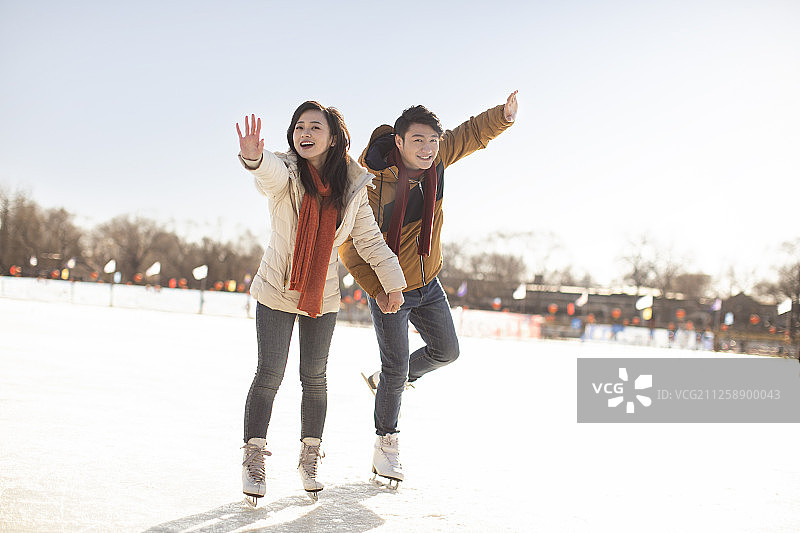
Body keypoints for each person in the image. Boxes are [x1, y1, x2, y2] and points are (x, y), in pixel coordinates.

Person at [339, 91, 519, 486]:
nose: (427, 149)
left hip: (428, 281)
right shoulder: (369, 182)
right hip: (389, 286)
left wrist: (503, 116)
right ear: (399, 142)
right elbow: (348, 246)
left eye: (433, 141)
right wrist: (380, 288)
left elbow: (471, 133)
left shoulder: (437, 160)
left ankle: (394, 380)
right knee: (394, 365)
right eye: (417, 140)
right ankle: (386, 444)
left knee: (447, 351)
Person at [236, 102, 406, 505]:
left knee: (314, 379)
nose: (305, 133)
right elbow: (268, 174)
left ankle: (309, 456)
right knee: (269, 375)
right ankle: (253, 456)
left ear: (333, 137)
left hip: (322, 295)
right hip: (277, 289)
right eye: (299, 126)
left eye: (315, 126)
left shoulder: (352, 187)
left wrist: (393, 283)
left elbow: (370, 242)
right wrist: (253, 157)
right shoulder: (287, 172)